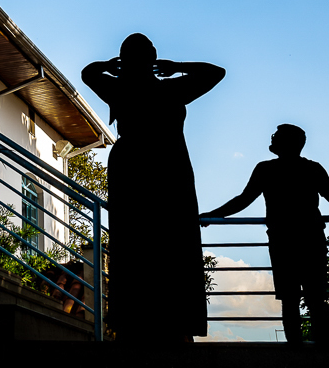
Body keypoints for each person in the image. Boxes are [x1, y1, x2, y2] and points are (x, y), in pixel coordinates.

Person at [82, 34, 225, 343]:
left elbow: (89, 72)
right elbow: (214, 72)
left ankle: (136, 319)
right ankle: (173, 320)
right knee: (172, 242)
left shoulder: (118, 88)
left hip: (134, 166)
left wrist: (112, 67)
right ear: (154, 59)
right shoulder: (172, 88)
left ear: (124, 61)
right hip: (167, 165)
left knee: (134, 241)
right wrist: (177, 68)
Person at [199, 124, 329, 347]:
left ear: (286, 142)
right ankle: (323, 349)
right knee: (316, 297)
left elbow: (243, 200)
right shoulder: (312, 169)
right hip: (311, 239)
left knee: (290, 299)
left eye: (276, 137)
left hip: (283, 241)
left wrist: (212, 216)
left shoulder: (266, 169)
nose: (272, 139)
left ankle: (296, 350)